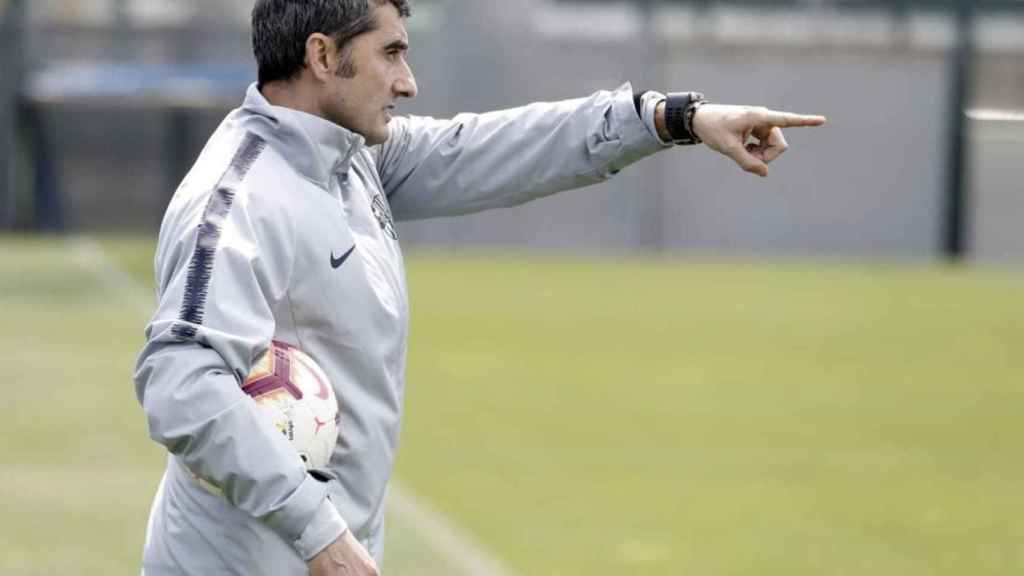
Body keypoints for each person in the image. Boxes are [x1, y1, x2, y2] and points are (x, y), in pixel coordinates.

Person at [134, 0, 826, 574]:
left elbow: (492, 146)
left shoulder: (353, 159)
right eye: (392, 54)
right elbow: (181, 382)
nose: (408, 83)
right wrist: (320, 534)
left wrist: (671, 119)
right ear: (321, 57)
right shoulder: (239, 198)